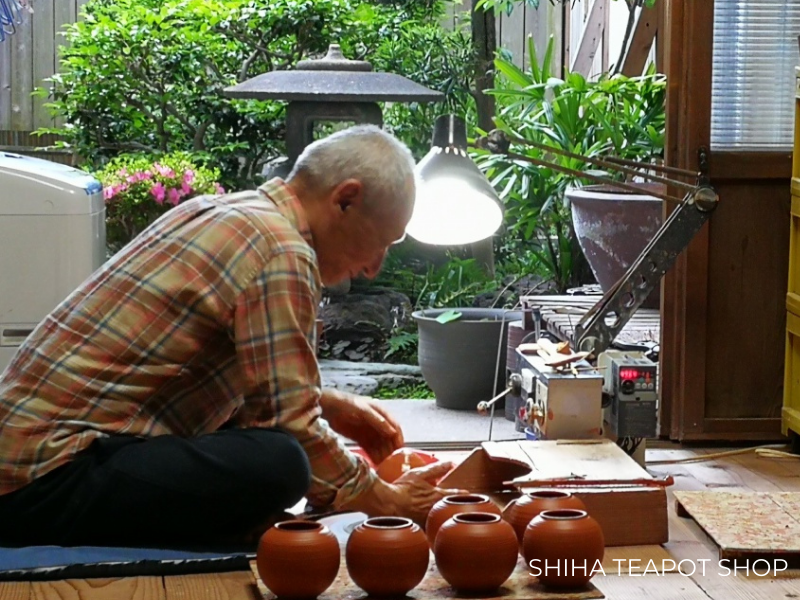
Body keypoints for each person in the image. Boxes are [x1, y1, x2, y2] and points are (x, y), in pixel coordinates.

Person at [0, 125, 462, 549]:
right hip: (40, 482)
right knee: (279, 464)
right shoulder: (280, 249)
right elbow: (289, 428)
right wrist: (388, 503)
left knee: (278, 460)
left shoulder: (227, 211)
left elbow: (227, 383)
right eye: (382, 242)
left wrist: (329, 405)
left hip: (33, 464)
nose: (374, 268)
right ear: (345, 199)